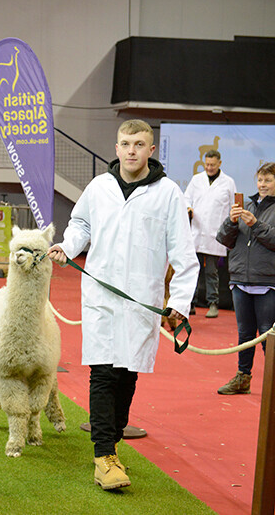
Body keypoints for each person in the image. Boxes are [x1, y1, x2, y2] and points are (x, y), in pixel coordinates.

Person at [47, 119, 198, 491]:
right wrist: (68, 247)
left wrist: (178, 300)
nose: (131, 150)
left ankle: (110, 444)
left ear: (151, 150)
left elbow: (184, 253)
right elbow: (82, 224)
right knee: (103, 373)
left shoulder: (168, 193)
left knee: (127, 375)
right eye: (125, 143)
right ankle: (103, 456)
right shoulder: (99, 187)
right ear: (116, 148)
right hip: (100, 296)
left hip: (141, 302)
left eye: (139, 144)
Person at [215, 162, 275, 395]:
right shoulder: (245, 205)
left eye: (268, 180)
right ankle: (243, 377)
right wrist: (231, 221)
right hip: (240, 279)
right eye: (260, 179)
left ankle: (271, 382)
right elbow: (223, 239)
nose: (262, 184)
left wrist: (255, 225)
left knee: (268, 334)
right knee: (245, 334)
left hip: (268, 281)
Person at [184, 150, 236, 317]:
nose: (209, 167)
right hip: (196, 233)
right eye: (207, 164)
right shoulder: (196, 180)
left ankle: (213, 303)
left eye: (212, 165)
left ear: (219, 163)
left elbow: (233, 207)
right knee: (193, 270)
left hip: (215, 234)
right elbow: (186, 198)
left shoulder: (228, 182)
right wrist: (188, 208)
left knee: (212, 272)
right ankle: (190, 303)